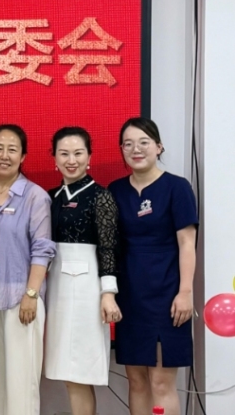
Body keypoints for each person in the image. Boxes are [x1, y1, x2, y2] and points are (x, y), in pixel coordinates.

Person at [108, 117, 197, 415]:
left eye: (144, 142)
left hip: (167, 296)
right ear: (122, 150)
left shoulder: (177, 187)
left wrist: (185, 292)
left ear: (158, 147)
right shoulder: (115, 190)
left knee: (160, 382)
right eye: (128, 144)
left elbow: (187, 243)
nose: (136, 149)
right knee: (136, 382)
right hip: (129, 298)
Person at [43, 127, 121, 415]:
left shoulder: (101, 196)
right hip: (57, 290)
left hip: (88, 291)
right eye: (64, 153)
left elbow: (108, 247)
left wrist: (108, 293)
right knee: (66, 371)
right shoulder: (50, 197)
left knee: (80, 372)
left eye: (78, 153)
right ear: (54, 158)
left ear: (89, 157)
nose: (71, 160)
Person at [0, 124, 55, 415]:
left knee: (22, 382)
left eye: (12, 149)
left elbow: (43, 249)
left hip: (22, 300)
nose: (5, 155)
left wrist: (31, 294)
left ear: (23, 156)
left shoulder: (35, 196)